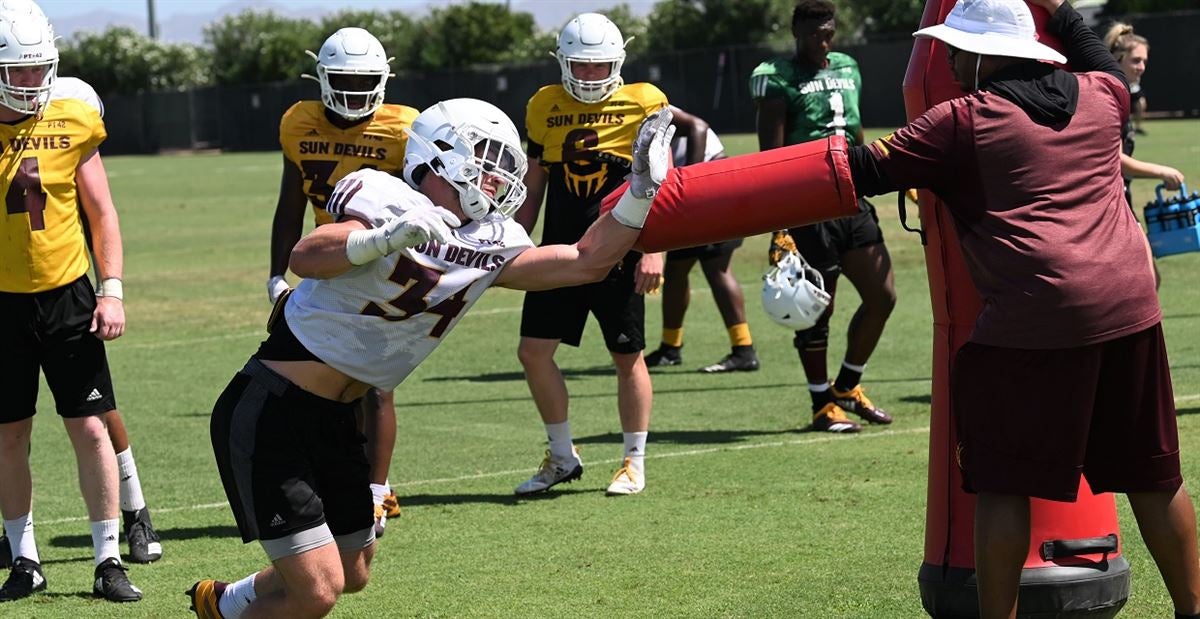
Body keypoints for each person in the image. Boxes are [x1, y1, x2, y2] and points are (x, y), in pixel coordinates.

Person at [187, 100, 674, 618]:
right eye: (486, 160)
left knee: (352, 573)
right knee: (318, 593)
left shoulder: (493, 240)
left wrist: (641, 193)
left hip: (338, 418)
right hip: (273, 410)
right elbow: (306, 257)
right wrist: (387, 237)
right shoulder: (384, 194)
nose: (498, 177)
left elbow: (585, 261)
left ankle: (225, 603)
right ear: (439, 156)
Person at [843, 0, 1200, 615]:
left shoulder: (961, 119)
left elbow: (857, 170)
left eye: (957, 48)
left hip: (1035, 317)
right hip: (1130, 307)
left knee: (1003, 483)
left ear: (984, 56)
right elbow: (1090, 50)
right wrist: (1057, 8)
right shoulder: (1104, 96)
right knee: (1153, 474)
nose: (949, 60)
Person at [0, 0, 163, 570]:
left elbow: (103, 212)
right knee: (9, 433)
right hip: (3, 302)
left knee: (92, 423)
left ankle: (113, 550)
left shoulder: (72, 115)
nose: (30, 81)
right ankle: (22, 555)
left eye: (37, 67)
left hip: (67, 293)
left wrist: (111, 287)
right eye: (16, 70)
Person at [269, 27, 418, 538]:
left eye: (365, 81)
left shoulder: (405, 129)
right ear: (322, 79)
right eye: (344, 80)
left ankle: (377, 493)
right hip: (330, 262)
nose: (355, 91)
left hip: (388, 267)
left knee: (377, 384)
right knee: (334, 384)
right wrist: (275, 275)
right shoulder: (298, 122)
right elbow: (290, 201)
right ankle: (349, 482)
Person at [512, 13, 667, 496]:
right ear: (563, 63)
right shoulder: (544, 104)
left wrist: (654, 249)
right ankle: (562, 456)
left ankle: (633, 462)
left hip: (620, 249)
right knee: (533, 352)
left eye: (600, 67)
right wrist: (513, 242)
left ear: (618, 63)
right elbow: (534, 182)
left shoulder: (646, 101)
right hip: (559, 250)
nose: (590, 75)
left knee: (627, 355)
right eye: (581, 66)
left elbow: (667, 182)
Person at [750, 0, 895, 433]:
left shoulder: (848, 66)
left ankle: (847, 386)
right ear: (797, 32)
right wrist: (781, 224)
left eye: (828, 31)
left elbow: (855, 130)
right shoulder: (777, 77)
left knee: (882, 296)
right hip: (808, 204)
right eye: (814, 33)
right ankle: (820, 404)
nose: (823, 39)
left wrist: (869, 180)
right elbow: (770, 156)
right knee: (818, 307)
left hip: (851, 196)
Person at [643, 105, 760, 374]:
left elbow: (699, 125)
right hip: (698, 192)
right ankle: (671, 348)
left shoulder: (647, 103)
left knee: (716, 266)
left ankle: (744, 350)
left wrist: (691, 182)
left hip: (714, 184)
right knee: (676, 269)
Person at [1103, 21, 1184, 289]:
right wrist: (1161, 171)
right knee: (1147, 280)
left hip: (1120, 199)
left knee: (1146, 280)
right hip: (1108, 203)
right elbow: (1113, 160)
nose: (1142, 66)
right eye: (1136, 60)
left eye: (1144, 61)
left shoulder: (1122, 93)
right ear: (1117, 58)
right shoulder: (1110, 97)